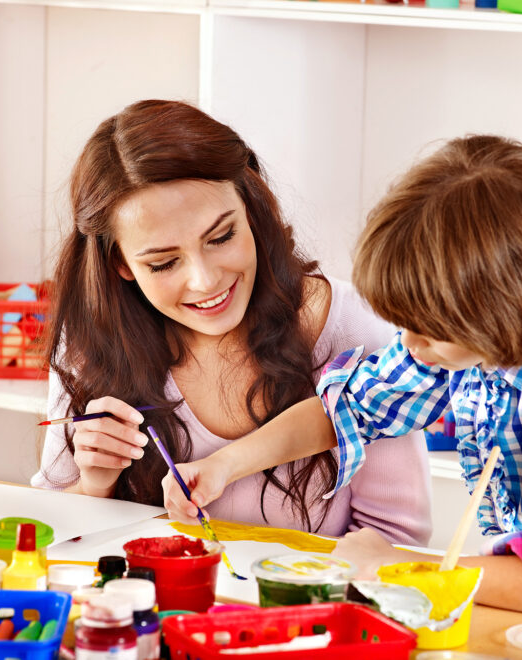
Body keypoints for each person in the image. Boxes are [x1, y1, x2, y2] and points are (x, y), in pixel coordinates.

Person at [164, 135, 522, 616]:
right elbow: (345, 411)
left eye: (428, 330)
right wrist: (224, 465)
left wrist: (390, 565)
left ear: (507, 309)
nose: (409, 344)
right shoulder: (468, 349)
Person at [30, 99, 432, 543]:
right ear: (120, 264)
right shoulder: (91, 339)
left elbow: (397, 543)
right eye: (163, 263)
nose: (205, 281)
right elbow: (50, 538)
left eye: (221, 237)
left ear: (251, 209)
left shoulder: (354, 328)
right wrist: (94, 486)